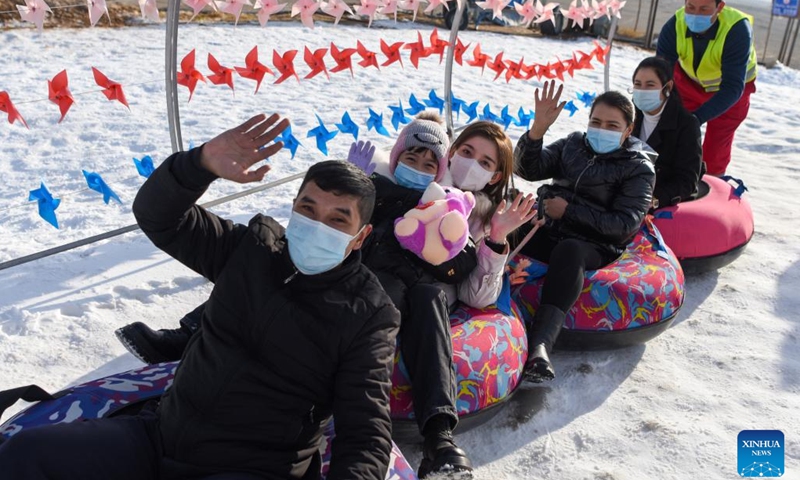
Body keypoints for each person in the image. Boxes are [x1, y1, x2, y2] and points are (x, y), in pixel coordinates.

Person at [0, 114, 402, 480]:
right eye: (308, 209)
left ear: (359, 237)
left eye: (337, 219)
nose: (317, 225)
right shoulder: (252, 250)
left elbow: (365, 431)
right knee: (28, 454)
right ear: (293, 208)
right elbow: (159, 217)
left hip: (252, 466)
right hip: (160, 437)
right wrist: (200, 164)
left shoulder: (368, 313)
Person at [514, 81, 656, 383]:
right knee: (508, 220)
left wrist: (569, 211)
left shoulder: (638, 168)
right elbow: (526, 169)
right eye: (596, 122)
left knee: (569, 250)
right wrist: (537, 131)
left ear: (628, 130)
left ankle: (540, 345)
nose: (602, 129)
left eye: (612, 125)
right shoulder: (573, 144)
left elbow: (624, 225)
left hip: (594, 245)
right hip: (551, 226)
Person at [656, 0, 757, 176]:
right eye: (690, 7)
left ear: (720, 7)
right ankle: (666, 177)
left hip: (730, 94)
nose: (695, 15)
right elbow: (660, 73)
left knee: (715, 151)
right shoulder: (675, 24)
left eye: (704, 9)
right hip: (688, 85)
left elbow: (732, 87)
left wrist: (697, 118)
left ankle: (711, 184)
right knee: (672, 134)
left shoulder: (737, 29)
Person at [631, 56, 704, 208]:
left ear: (668, 87)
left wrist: (654, 199)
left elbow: (687, 180)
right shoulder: (628, 115)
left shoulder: (686, 124)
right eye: (637, 84)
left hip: (658, 200)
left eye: (650, 85)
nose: (642, 90)